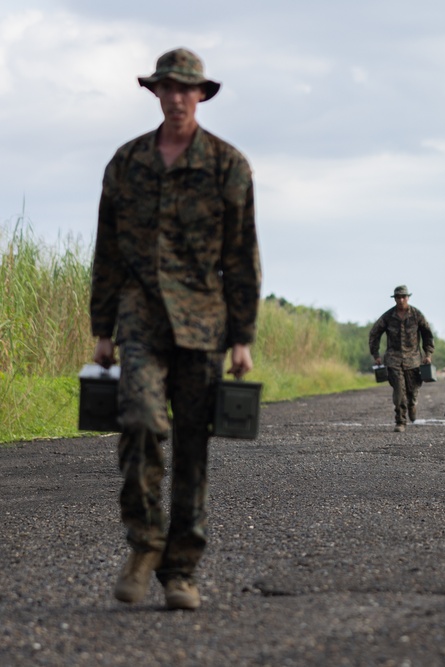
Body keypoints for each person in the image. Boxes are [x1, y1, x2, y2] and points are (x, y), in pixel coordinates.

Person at [90, 48, 261, 611]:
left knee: (193, 448)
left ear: (201, 95)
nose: (178, 97)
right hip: (139, 315)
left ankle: (181, 570)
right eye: (169, 88)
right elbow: (107, 250)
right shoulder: (126, 162)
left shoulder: (228, 166)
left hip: (203, 323)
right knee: (138, 420)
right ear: (156, 93)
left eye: (188, 89)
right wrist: (102, 327)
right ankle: (144, 542)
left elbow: (240, 255)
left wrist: (242, 336)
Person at [368, 285, 435, 432]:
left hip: (414, 360)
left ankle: (412, 404)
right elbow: (374, 333)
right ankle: (400, 420)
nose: (401, 300)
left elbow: (427, 335)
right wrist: (376, 355)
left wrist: (428, 355)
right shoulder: (387, 316)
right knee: (399, 391)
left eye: (403, 297)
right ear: (395, 299)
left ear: (408, 297)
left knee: (412, 390)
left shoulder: (417, 315)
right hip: (393, 359)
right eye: (398, 297)